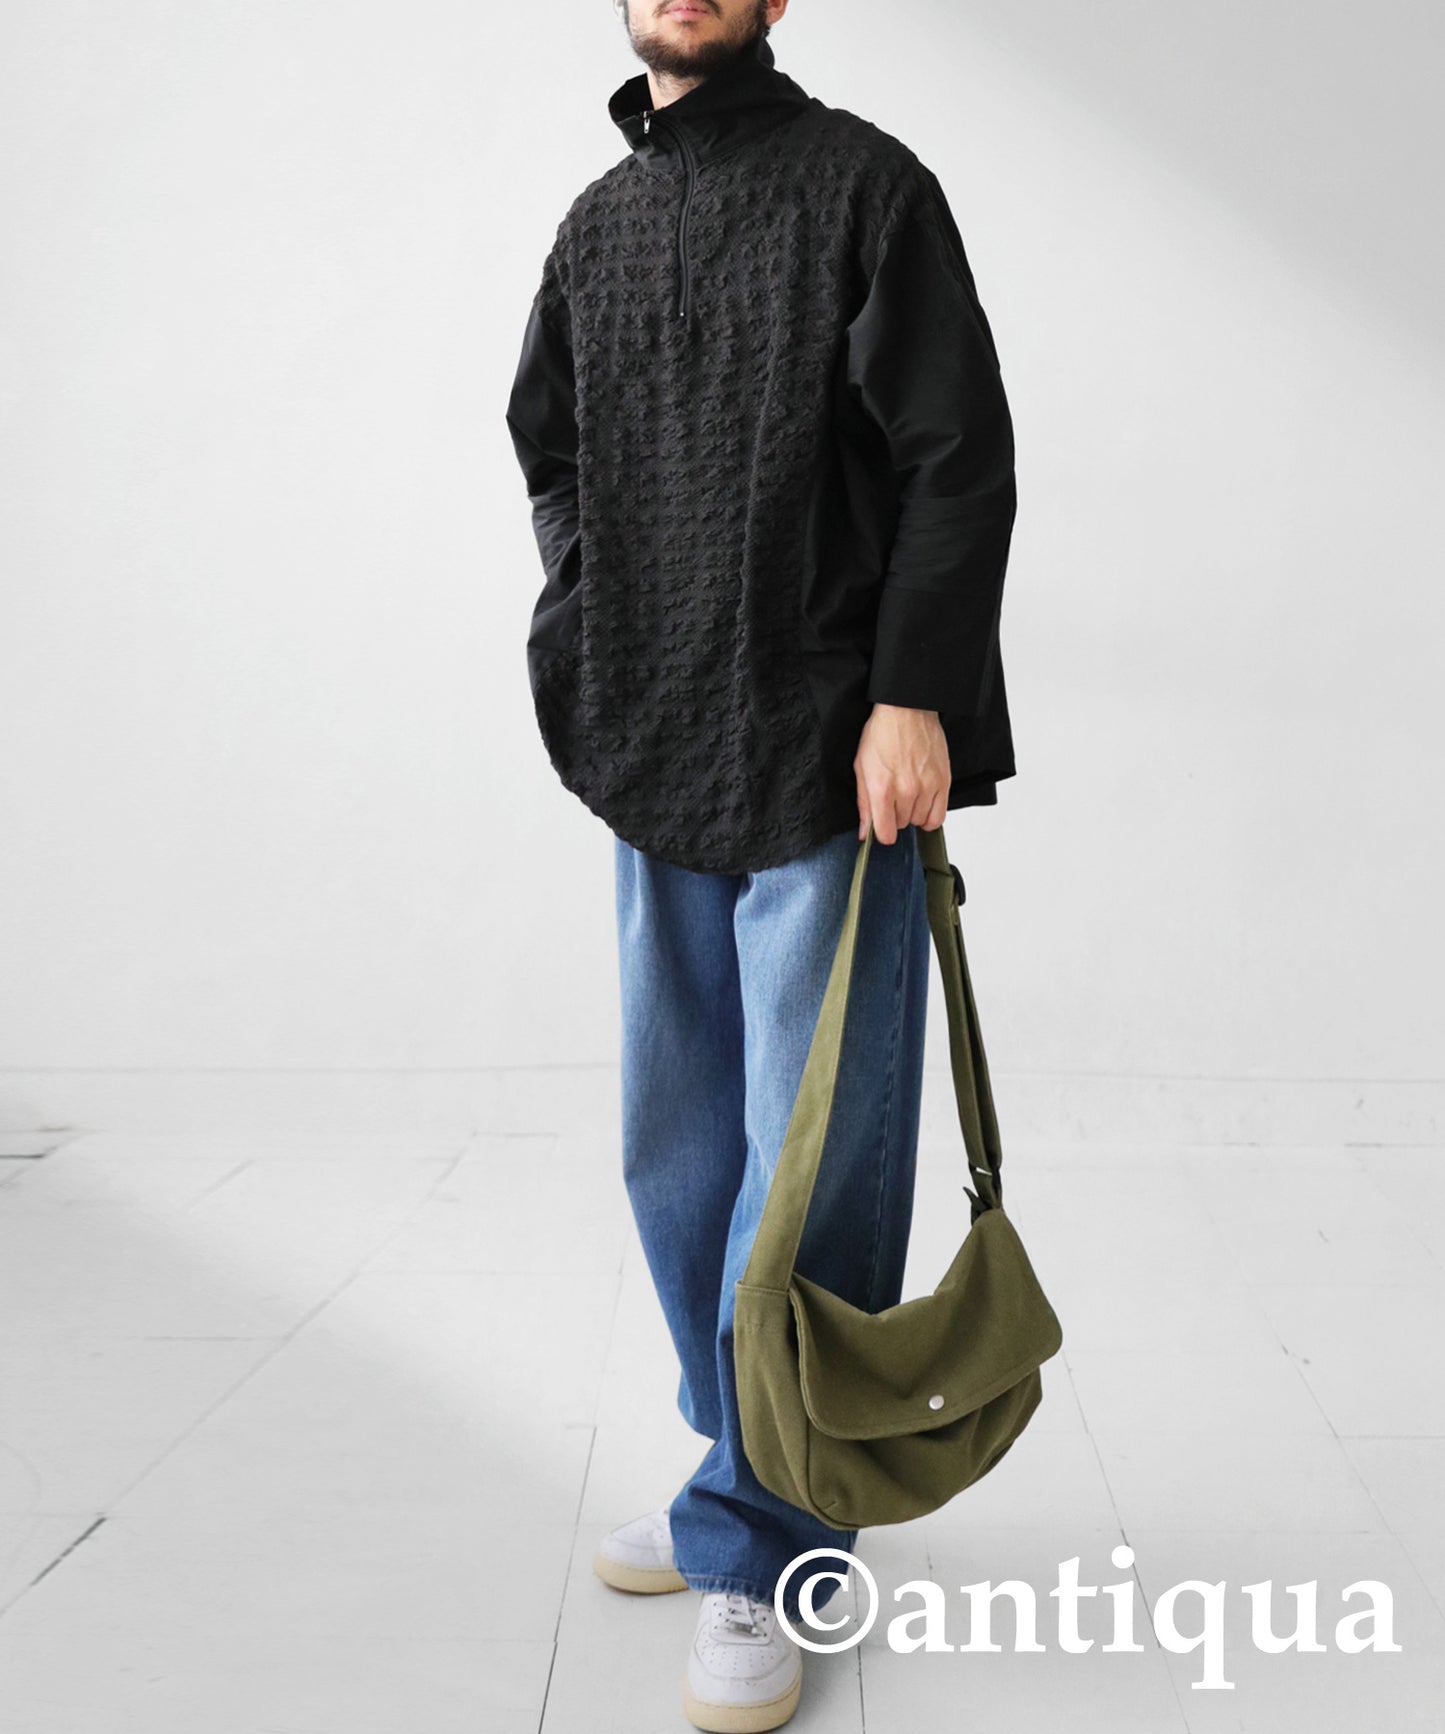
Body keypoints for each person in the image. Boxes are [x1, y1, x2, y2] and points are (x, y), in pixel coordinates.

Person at [504, 2, 1017, 1727]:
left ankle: (772, 1539)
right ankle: (739, 1457)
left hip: (831, 755)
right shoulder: (598, 223)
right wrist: (586, 625)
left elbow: (958, 458)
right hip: (654, 735)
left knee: (811, 1169)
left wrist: (912, 696)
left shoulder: (868, 187)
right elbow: (551, 448)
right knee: (676, 1153)